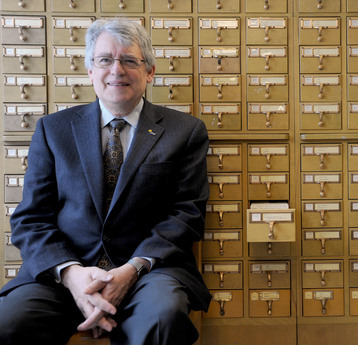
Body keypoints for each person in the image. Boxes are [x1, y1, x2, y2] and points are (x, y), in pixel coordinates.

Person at [0, 18, 210, 345]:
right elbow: (31, 219)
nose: (117, 70)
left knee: (163, 318)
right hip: (64, 274)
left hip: (147, 275)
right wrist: (71, 274)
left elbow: (187, 214)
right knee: (8, 322)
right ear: (90, 71)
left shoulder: (185, 131)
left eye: (129, 60)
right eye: (105, 60)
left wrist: (132, 268)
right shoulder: (53, 130)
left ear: (150, 71)